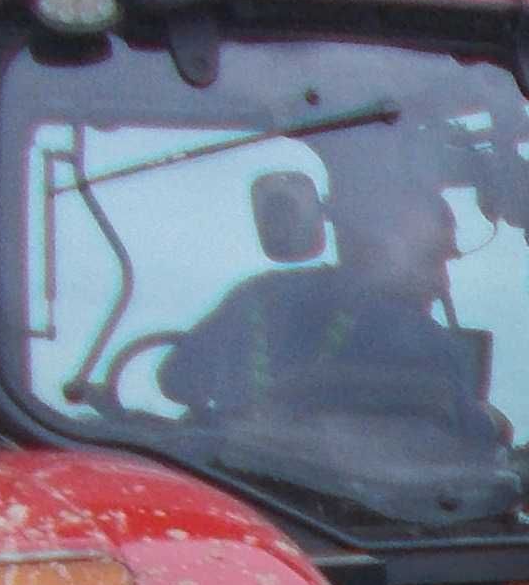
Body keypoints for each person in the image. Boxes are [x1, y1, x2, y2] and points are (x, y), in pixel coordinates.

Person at [158, 142, 503, 446]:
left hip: (238, 488)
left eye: (444, 261)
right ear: (375, 246)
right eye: (430, 258)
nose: (442, 281)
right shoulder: (431, 347)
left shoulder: (259, 299)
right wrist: (491, 423)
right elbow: (478, 447)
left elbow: (178, 379)